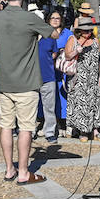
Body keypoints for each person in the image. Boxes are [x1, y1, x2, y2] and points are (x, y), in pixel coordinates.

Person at [0, 0, 59, 184]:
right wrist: (36, 33)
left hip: (5, 81)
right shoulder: (30, 18)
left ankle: (9, 169)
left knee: (5, 126)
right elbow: (54, 33)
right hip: (26, 83)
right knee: (26, 127)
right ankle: (23, 171)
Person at [64, 17, 100, 141]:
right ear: (79, 30)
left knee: (94, 104)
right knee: (80, 105)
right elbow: (67, 56)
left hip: (93, 78)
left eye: (89, 31)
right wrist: (76, 51)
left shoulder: (96, 41)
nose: (87, 33)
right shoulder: (73, 40)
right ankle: (82, 132)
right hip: (78, 78)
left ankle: (94, 130)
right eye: (85, 31)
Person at [36, 10, 65, 145]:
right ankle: (29, 132)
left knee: (49, 107)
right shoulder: (28, 36)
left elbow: (54, 54)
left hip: (48, 76)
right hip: (30, 77)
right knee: (30, 107)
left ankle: (50, 132)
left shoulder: (51, 37)